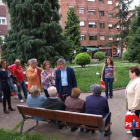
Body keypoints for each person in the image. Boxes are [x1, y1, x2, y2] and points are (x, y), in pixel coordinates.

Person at [126, 67, 140, 140]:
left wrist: (134, 106)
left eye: (130, 73)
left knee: (136, 119)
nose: (129, 74)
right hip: (130, 103)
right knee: (131, 118)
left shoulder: (138, 82)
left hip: (135, 105)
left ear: (134, 73)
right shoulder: (132, 80)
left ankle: (137, 135)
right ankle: (132, 130)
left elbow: (138, 96)